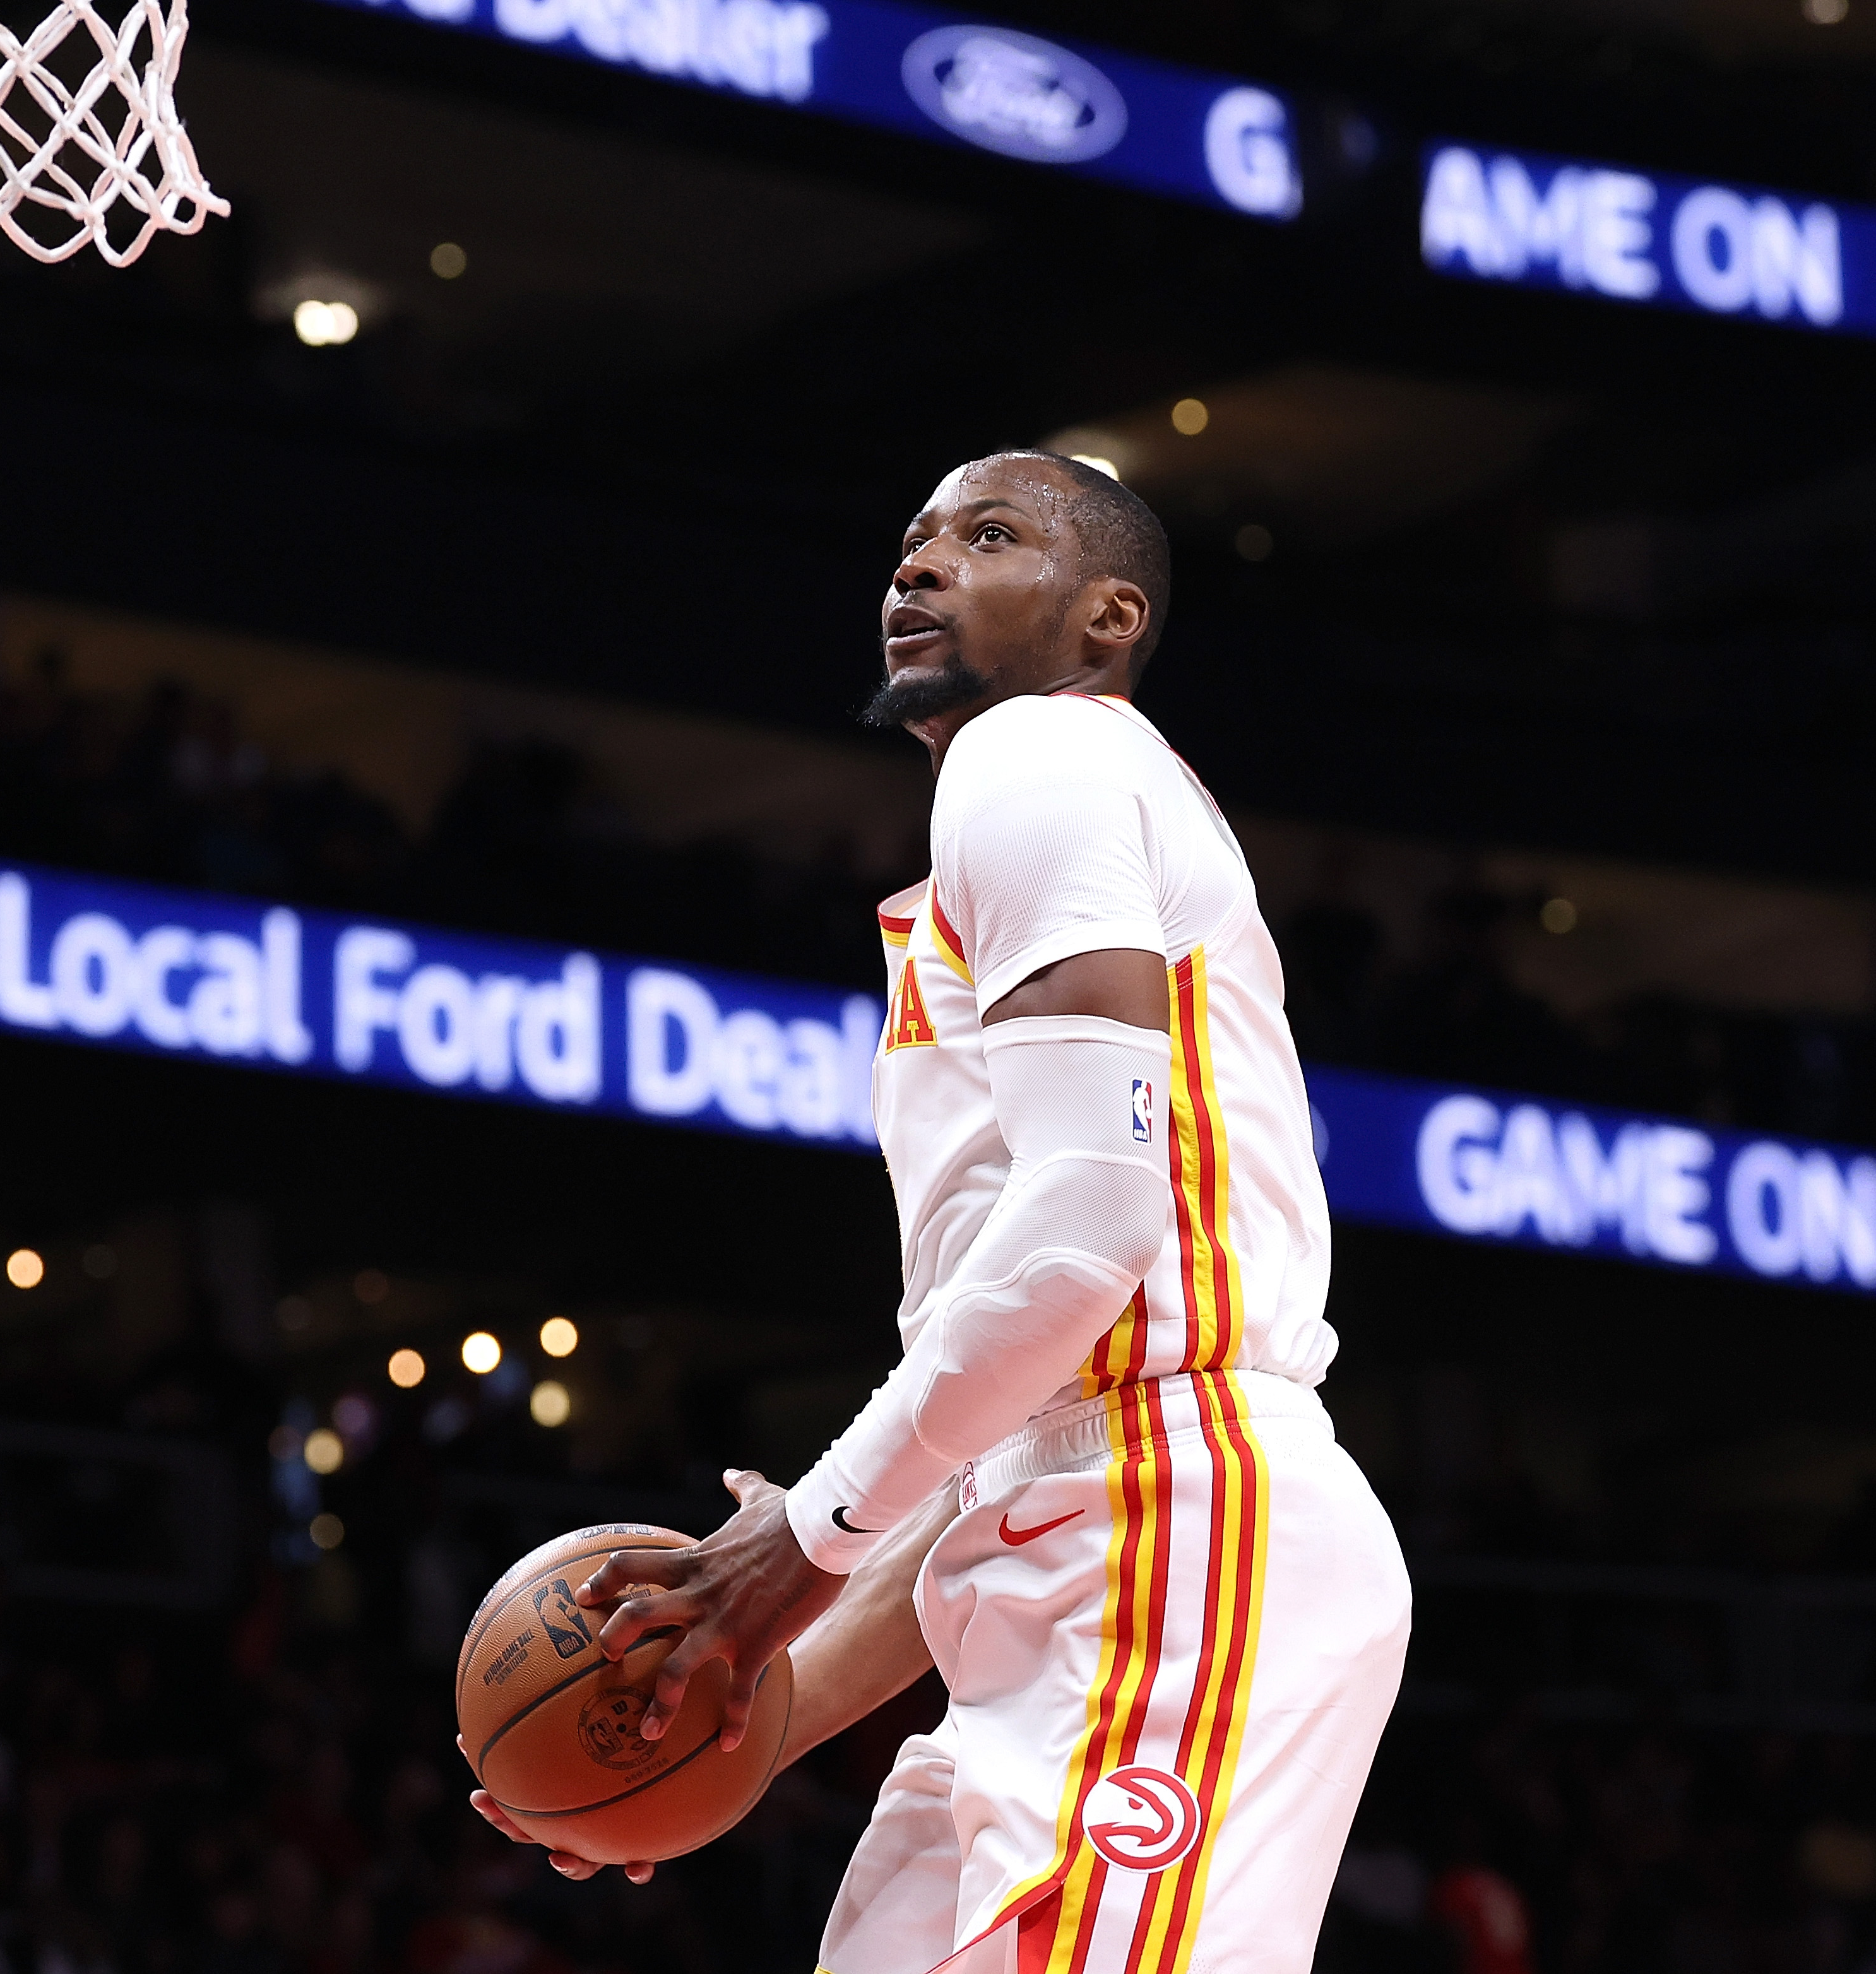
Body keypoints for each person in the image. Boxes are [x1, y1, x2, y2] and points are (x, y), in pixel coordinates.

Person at [471, 451, 1411, 1974]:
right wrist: (735, 1707)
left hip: (1180, 1521)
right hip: (1069, 1548)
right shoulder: (997, 847)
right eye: (909, 542)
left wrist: (800, 1542)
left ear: (1106, 618)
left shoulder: (1043, 752)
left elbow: (1087, 1232)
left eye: (987, 536)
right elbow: (1010, 1431)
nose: (917, 566)